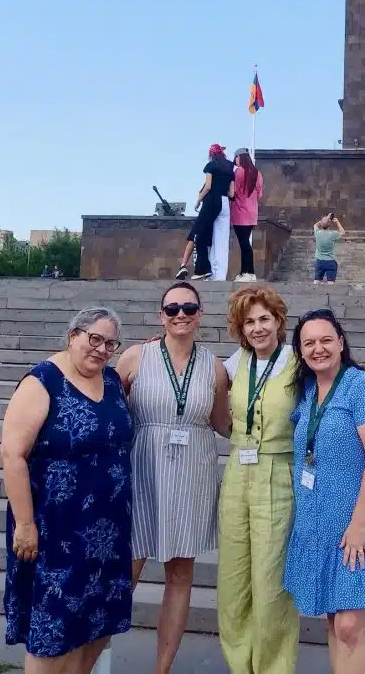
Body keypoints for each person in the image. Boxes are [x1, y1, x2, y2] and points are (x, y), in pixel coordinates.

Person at [1, 307, 133, 674]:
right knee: (54, 631)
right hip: (54, 530)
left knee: (93, 626)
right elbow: (12, 455)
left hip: (107, 531)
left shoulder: (111, 381)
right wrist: (25, 524)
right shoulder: (42, 382)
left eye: (110, 344)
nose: (101, 349)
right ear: (72, 335)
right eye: (94, 339)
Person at [284, 308, 365, 674]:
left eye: (326, 339)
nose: (318, 348)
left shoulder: (363, 387)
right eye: (309, 343)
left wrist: (359, 525)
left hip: (358, 520)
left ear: (341, 342)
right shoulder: (307, 392)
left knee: (348, 625)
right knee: (334, 619)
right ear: (300, 350)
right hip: (319, 520)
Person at [116, 281, 231, 674]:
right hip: (143, 468)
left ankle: (161, 669)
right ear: (161, 315)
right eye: (172, 309)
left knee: (180, 574)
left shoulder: (214, 366)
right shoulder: (136, 356)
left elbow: (224, 423)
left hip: (193, 473)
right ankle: (88, 659)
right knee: (125, 568)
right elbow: (104, 403)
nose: (180, 314)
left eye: (189, 308)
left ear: (200, 314)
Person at [217, 286, 299, 674]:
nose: (257, 328)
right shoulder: (238, 361)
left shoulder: (297, 360)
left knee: (270, 581)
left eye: (265, 318)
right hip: (238, 472)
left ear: (279, 321)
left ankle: (273, 668)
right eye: (249, 321)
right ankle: (240, 665)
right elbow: (194, 372)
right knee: (233, 580)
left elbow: (337, 375)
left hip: (278, 472)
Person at [177, 144, 235, 282]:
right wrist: (222, 191)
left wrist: (198, 200)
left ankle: (202, 269)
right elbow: (232, 193)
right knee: (215, 238)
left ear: (211, 155)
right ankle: (213, 272)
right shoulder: (229, 168)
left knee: (199, 233)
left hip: (211, 200)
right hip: (224, 202)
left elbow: (208, 186)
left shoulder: (211, 166)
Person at [231, 148, 264, 283]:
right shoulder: (257, 173)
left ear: (240, 157)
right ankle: (244, 272)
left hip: (240, 212)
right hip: (252, 212)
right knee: (244, 242)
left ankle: (249, 272)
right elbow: (259, 194)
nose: (235, 161)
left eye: (236, 158)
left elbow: (234, 191)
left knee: (244, 243)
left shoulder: (239, 171)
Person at [313, 212, 345, 283]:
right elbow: (343, 232)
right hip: (330, 262)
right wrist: (337, 222)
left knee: (316, 282)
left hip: (319, 261)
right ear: (330, 224)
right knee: (331, 284)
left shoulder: (317, 233)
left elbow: (315, 225)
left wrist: (324, 220)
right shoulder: (333, 234)